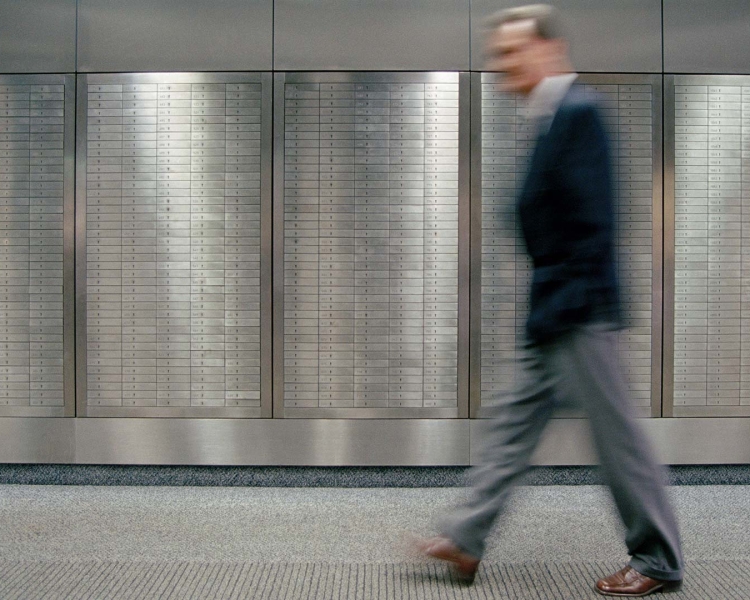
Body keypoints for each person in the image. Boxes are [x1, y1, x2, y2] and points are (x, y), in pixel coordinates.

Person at [417, 5, 684, 597]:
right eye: (499, 56)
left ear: (548, 51)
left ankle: (658, 560)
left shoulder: (579, 113)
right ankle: (466, 536)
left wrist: (569, 305)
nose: (503, 65)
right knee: (511, 425)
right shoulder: (546, 116)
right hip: (553, 305)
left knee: (619, 443)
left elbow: (594, 224)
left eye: (513, 53)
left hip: (581, 309)